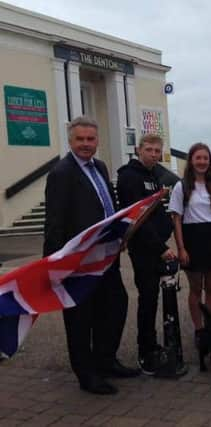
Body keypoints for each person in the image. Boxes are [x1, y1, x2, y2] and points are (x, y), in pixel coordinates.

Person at [43, 116, 139, 395]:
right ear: (71, 141)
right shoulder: (61, 173)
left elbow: (107, 206)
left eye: (90, 139)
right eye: (80, 139)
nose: (86, 144)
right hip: (78, 263)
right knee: (80, 319)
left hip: (106, 257)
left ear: (97, 141)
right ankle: (86, 374)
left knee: (115, 306)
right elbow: (54, 223)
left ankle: (106, 361)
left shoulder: (100, 166)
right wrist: (54, 265)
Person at [116, 134, 175, 375]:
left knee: (154, 299)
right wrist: (161, 249)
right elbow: (137, 219)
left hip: (157, 245)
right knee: (147, 298)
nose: (153, 153)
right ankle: (145, 351)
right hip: (144, 249)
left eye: (156, 150)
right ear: (138, 150)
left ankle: (151, 343)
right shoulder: (129, 177)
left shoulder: (154, 175)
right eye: (148, 149)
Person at [168, 143, 211, 347]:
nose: (202, 162)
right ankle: (199, 329)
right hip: (192, 239)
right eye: (198, 158)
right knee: (196, 289)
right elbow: (176, 218)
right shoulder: (182, 186)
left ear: (209, 161)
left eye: (205, 158)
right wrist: (181, 247)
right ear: (191, 161)